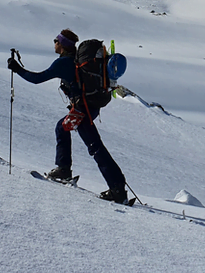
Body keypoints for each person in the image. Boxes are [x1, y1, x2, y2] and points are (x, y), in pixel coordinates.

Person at [8, 29, 129, 204]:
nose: (54, 42)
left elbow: (37, 79)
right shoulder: (74, 60)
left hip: (83, 108)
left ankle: (117, 188)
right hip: (89, 106)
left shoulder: (64, 64)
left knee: (95, 146)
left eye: (56, 40)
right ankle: (63, 169)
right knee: (62, 127)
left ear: (62, 45)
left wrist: (17, 69)